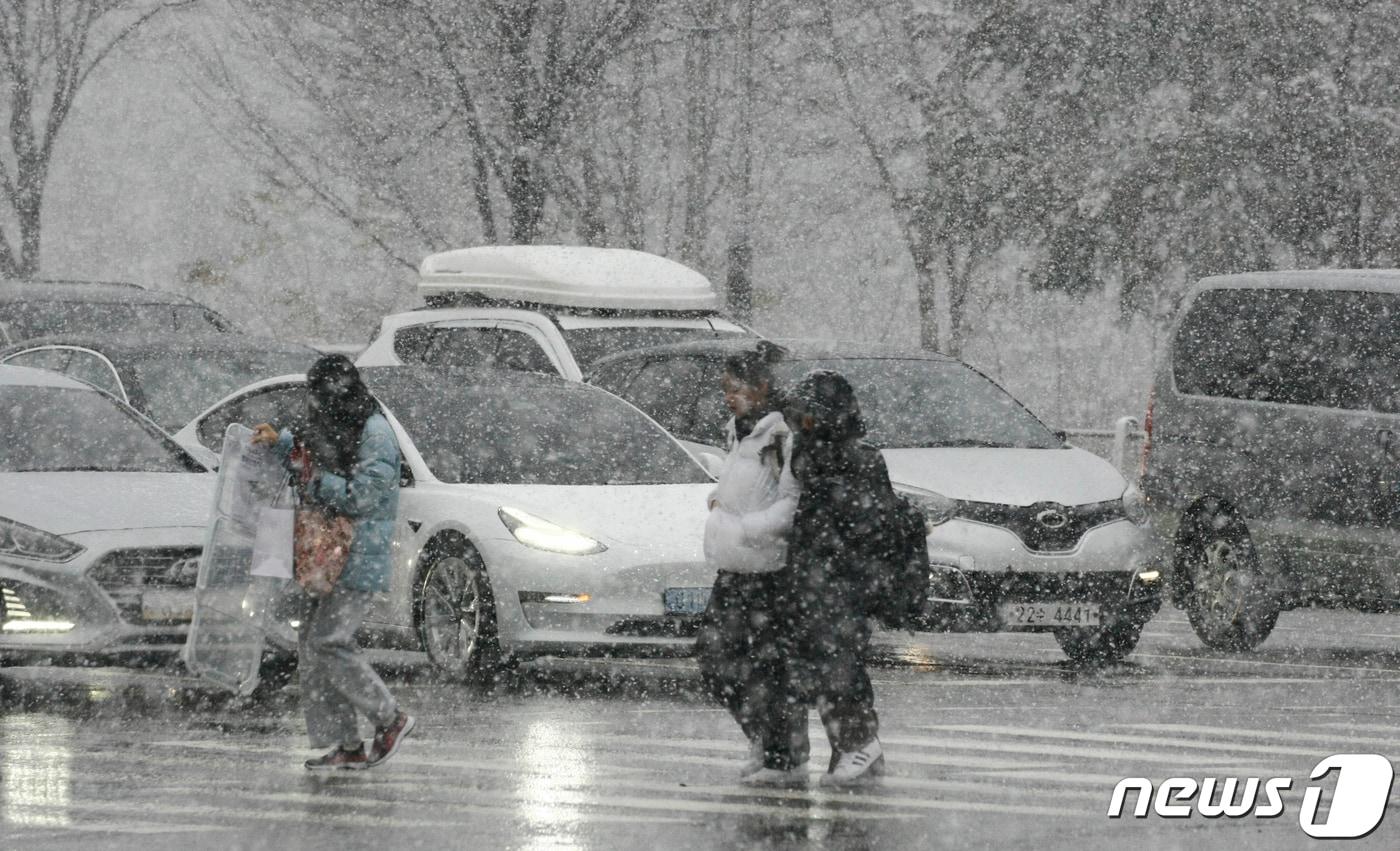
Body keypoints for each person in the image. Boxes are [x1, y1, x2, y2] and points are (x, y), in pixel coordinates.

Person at [251, 354, 415, 772]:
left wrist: (315, 480)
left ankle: (389, 718)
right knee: (313, 644)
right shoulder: (341, 424)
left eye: (324, 396)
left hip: (356, 555)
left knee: (329, 640)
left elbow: (363, 496)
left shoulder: (374, 433)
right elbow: (314, 452)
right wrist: (283, 444)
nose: (318, 405)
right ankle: (346, 743)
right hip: (325, 555)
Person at [774, 369, 895, 788]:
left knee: (838, 665)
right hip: (810, 577)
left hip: (841, 581)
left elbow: (872, 526)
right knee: (819, 665)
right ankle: (853, 745)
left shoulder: (859, 458)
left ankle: (859, 743)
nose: (800, 423)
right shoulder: (802, 453)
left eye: (807, 414)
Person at [694, 342, 803, 785]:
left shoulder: (780, 437)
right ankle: (764, 739)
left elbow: (792, 502)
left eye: (734, 387)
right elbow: (741, 486)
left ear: (761, 387)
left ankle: (782, 758)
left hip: (769, 573)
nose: (728, 396)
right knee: (715, 659)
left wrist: (750, 528)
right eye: (724, 388)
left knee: (766, 669)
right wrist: (720, 502)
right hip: (734, 569)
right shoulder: (737, 432)